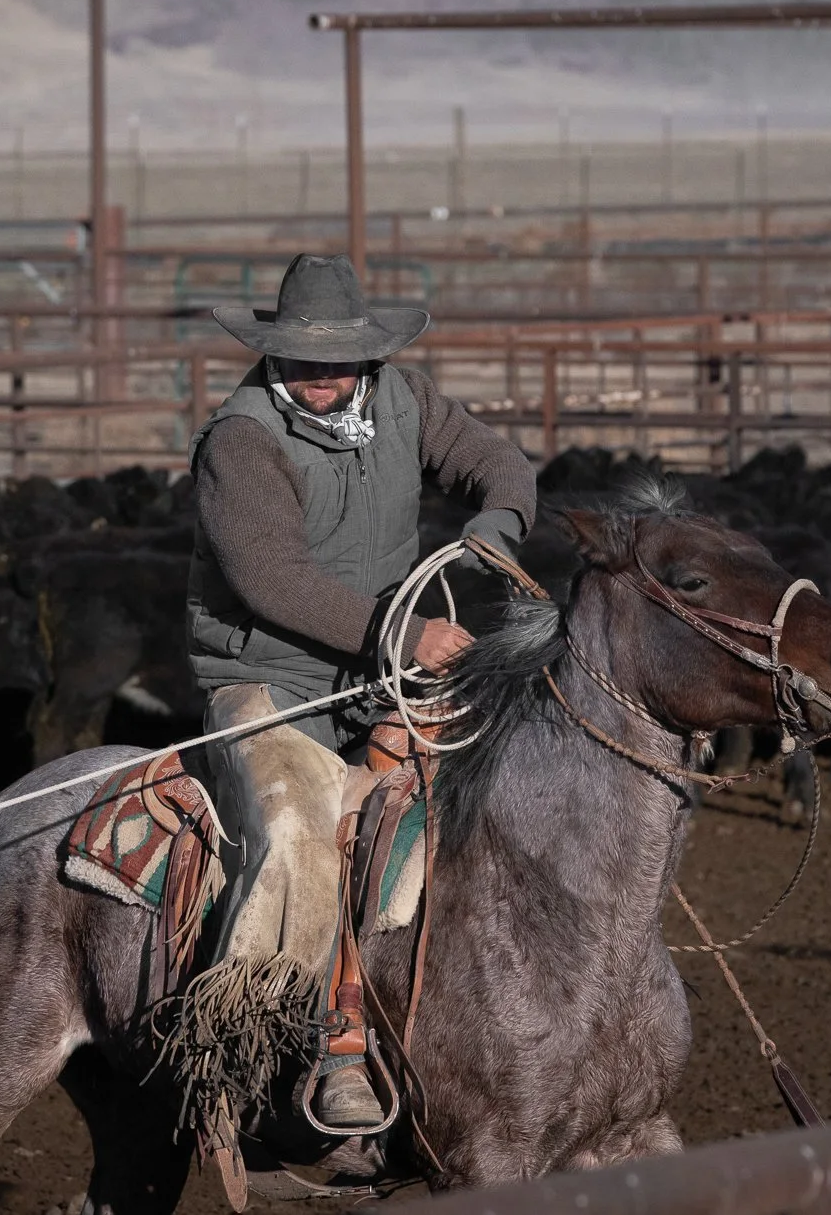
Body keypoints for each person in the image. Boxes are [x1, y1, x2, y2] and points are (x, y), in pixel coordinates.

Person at [187, 252, 537, 1128]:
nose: (324, 373)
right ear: (274, 354)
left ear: (368, 355)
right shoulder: (241, 439)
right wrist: (404, 634)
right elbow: (272, 578)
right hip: (270, 680)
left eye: (340, 355)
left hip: (382, 677)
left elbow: (500, 464)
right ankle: (291, 1043)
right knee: (301, 831)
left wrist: (494, 527)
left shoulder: (404, 400)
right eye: (304, 357)